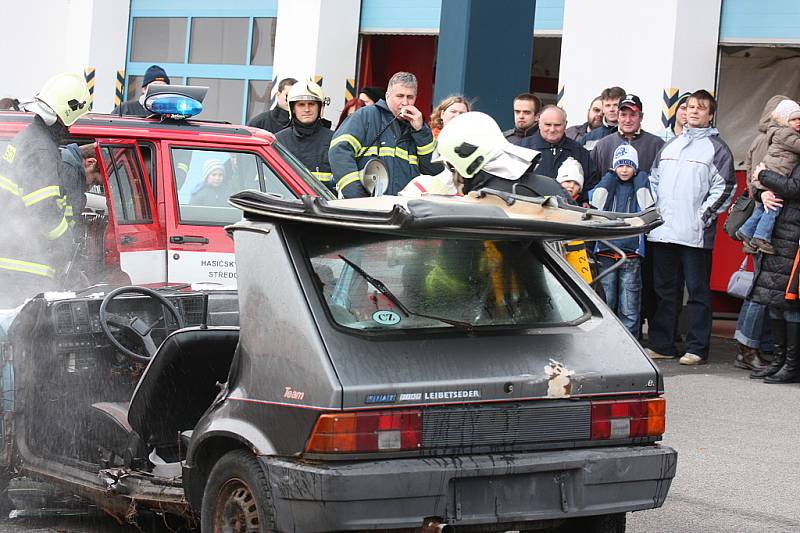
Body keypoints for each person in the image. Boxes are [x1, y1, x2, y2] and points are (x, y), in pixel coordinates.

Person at [646, 90, 736, 365]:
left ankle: (697, 347)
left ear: (710, 115)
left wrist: (703, 217)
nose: (693, 111)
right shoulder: (670, 145)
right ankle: (663, 344)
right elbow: (654, 179)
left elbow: (726, 188)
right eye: (689, 106)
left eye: (700, 108)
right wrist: (656, 212)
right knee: (664, 289)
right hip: (663, 231)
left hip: (695, 234)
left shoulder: (717, 148)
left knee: (697, 292)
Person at [0, 73, 90, 307]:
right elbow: (45, 211)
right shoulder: (40, 149)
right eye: (74, 119)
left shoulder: (28, 139)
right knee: (29, 336)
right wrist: (67, 246)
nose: (73, 127)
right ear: (64, 115)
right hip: (25, 267)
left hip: (12, 261)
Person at [731, 95, 790, 370]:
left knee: (762, 289)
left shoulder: (762, 137)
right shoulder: (773, 139)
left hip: (767, 226)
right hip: (769, 227)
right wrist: (764, 192)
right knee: (761, 291)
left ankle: (753, 346)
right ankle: (748, 347)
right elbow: (757, 177)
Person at [329, 71, 437, 198]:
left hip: (402, 210)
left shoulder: (418, 129)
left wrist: (420, 131)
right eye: (400, 96)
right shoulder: (365, 116)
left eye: (410, 97)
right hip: (367, 208)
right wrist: (356, 197)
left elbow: (433, 170)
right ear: (387, 95)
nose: (405, 102)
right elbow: (339, 152)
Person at [590, 145, 655, 336]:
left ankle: (630, 342)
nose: (624, 170)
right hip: (606, 250)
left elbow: (647, 206)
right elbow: (597, 203)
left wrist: (641, 180)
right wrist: (609, 179)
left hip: (631, 253)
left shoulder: (641, 184)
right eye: (619, 166)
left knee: (629, 303)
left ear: (635, 167)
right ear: (613, 167)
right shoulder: (608, 184)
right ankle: (606, 339)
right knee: (606, 301)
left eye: (629, 165)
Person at [434, 111, 570, 201]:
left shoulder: (480, 204)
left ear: (463, 162)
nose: (453, 175)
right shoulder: (550, 185)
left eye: (452, 167)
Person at [747, 161, 800, 383]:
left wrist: (764, 174)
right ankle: (779, 361)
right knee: (775, 300)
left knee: (791, 303)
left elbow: (794, 187)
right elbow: (766, 189)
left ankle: (792, 365)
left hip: (794, 236)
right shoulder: (789, 153)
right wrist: (763, 194)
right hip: (780, 232)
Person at [736, 99, 800, 255]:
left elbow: (753, 171)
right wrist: (762, 185)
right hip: (774, 179)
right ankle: (760, 237)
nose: (798, 122)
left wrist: (760, 189)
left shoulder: (768, 136)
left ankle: (747, 232)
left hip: (768, 182)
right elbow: (758, 172)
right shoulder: (784, 135)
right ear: (783, 119)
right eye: (794, 119)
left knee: (766, 207)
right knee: (772, 207)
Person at [521, 105, 598, 201]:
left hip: (567, 212)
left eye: (557, 125)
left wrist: (583, 200)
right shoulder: (521, 149)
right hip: (527, 210)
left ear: (565, 124)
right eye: (548, 125)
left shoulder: (580, 152)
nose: (552, 129)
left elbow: (591, 184)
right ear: (539, 123)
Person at [400, 96, 472, 197]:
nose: (457, 115)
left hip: (459, 195)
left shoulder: (473, 143)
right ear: (442, 114)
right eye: (453, 111)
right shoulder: (429, 138)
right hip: (431, 193)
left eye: (462, 113)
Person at [274, 79, 335, 192]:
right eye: (301, 105)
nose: (307, 109)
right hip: (287, 206)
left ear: (320, 107)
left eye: (311, 104)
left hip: (325, 206)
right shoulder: (279, 141)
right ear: (293, 108)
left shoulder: (333, 140)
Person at [591, 94, 665, 176]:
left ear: (641, 117)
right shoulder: (602, 146)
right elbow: (592, 181)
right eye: (623, 115)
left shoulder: (657, 145)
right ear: (618, 116)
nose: (628, 120)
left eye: (632, 115)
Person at [59, 143, 102, 227]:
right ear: (90, 163)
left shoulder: (66, 159)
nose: (90, 187)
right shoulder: (69, 167)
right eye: (94, 181)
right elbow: (63, 213)